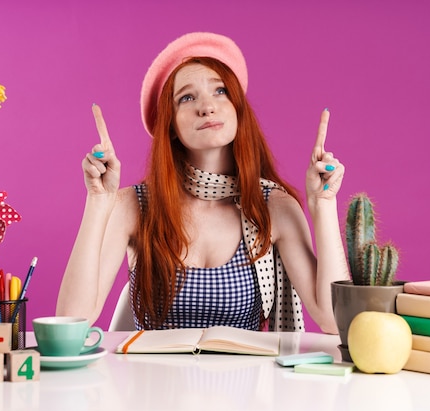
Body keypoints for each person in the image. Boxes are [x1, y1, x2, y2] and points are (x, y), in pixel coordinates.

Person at [56, 32, 349, 333]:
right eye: (187, 97)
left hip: (247, 378)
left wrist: (324, 205)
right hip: (149, 379)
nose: (207, 107)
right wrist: (98, 201)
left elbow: (332, 319)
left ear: (238, 109)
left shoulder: (272, 206)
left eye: (220, 91)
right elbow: (70, 320)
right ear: (168, 126)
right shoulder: (135, 206)